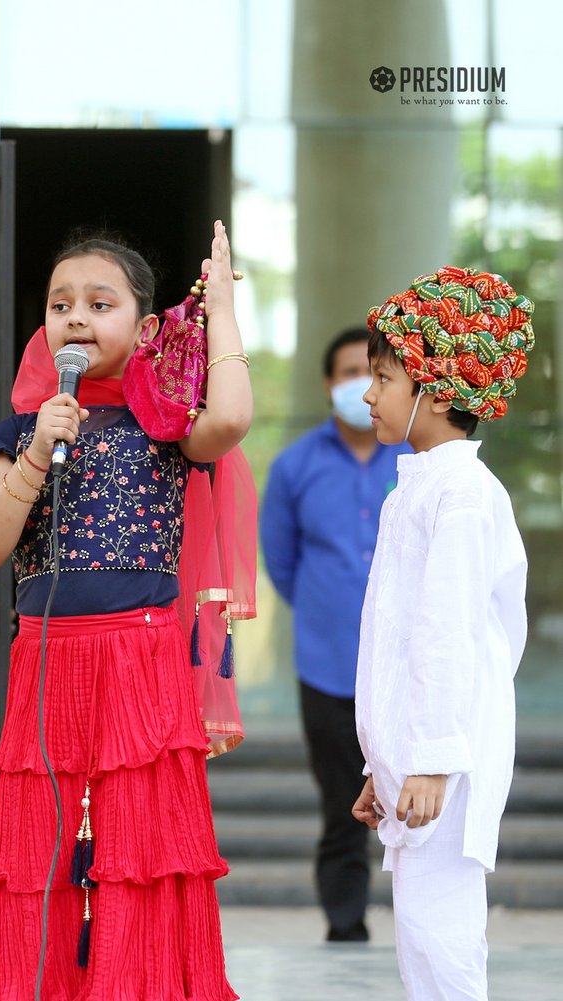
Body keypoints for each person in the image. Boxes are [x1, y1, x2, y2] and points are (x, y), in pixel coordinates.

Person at [0, 222, 251, 1001]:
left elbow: (233, 420)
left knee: (142, 849)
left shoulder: (166, 427)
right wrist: (33, 457)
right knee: (39, 850)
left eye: (99, 302)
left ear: (145, 327)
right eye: (60, 304)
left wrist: (221, 310)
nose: (75, 317)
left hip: (142, 663)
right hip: (48, 660)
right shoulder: (21, 433)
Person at [351, 266, 533, 1000]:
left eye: (385, 377)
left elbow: (451, 634)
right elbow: (401, 639)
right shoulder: (421, 485)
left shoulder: (461, 493)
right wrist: (381, 760)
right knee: (422, 936)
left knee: (444, 937)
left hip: (448, 752)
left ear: (436, 385)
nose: (369, 394)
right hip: (424, 749)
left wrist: (430, 759)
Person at [260, 327, 408, 942]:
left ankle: (418, 921)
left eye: (373, 373)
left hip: (406, 666)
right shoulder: (296, 465)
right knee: (342, 804)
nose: (361, 386)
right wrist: (327, 608)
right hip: (328, 663)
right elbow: (281, 559)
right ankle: (346, 923)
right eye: (349, 372)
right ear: (328, 384)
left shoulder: (413, 459)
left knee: (415, 796)